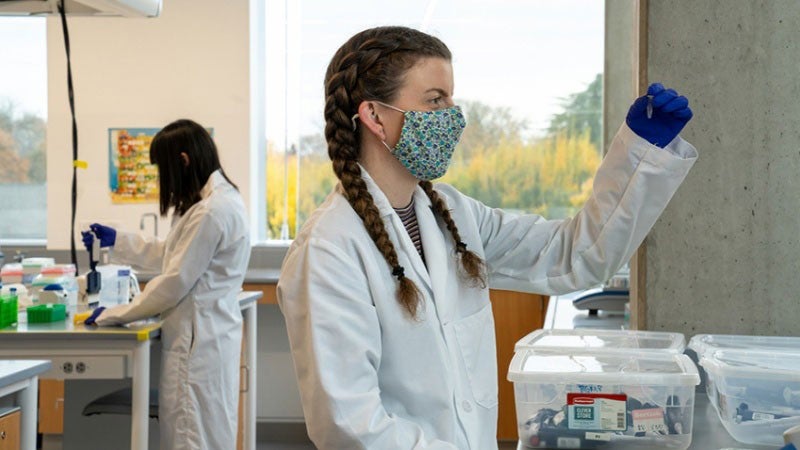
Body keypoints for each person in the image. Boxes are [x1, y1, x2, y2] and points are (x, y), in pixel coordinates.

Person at [277, 25, 697, 450]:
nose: (453, 116)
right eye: (435, 100)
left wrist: (640, 154)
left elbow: (574, 256)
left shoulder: (455, 216)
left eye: (451, 99)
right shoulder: (330, 249)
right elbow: (349, 424)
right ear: (374, 116)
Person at [81, 119, 250, 450]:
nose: (164, 181)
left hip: (196, 344)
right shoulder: (220, 202)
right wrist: (119, 242)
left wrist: (113, 313)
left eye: (163, 170)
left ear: (183, 161)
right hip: (207, 338)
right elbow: (174, 255)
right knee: (205, 434)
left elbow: (174, 282)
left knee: (190, 437)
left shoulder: (211, 212)